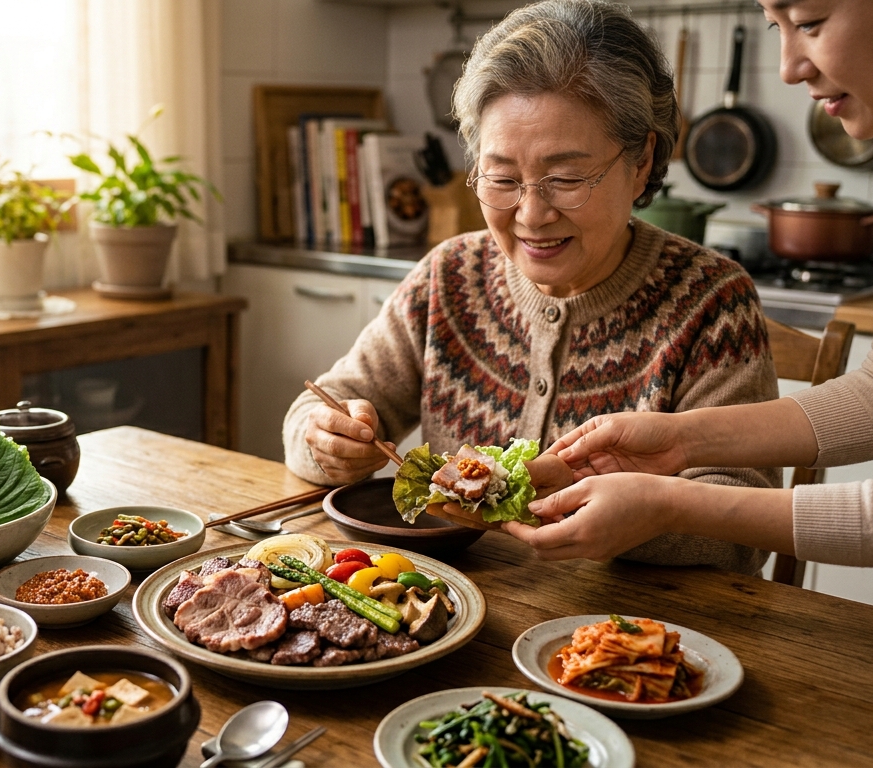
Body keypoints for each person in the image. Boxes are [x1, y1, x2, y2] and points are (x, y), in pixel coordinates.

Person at [516, 0, 873, 637]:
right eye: (777, 26)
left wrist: (671, 503)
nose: (787, 68)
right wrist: (682, 440)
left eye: (809, 22)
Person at [282, 0, 782, 575]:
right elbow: (316, 408)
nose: (531, 213)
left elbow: (744, 525)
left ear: (642, 160)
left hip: (634, 633)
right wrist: (326, 443)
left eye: (566, 178)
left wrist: (646, 516)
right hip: (452, 615)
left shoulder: (711, 302)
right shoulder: (450, 276)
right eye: (501, 178)